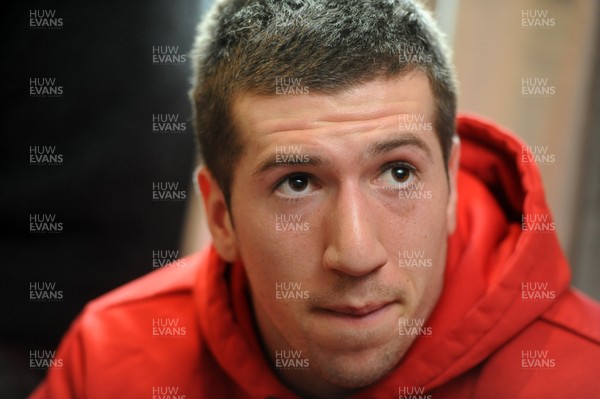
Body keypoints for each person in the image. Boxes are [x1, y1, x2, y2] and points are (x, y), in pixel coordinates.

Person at [30, 0, 600, 398]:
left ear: (449, 183)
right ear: (220, 217)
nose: (355, 253)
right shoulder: (110, 360)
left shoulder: (580, 376)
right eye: (297, 182)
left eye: (398, 173)